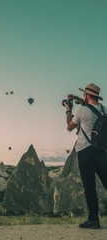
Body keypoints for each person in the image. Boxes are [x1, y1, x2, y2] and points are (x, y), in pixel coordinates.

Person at [64, 83, 107, 229]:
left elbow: (70, 126)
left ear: (87, 95)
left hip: (85, 153)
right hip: (102, 152)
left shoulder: (82, 111)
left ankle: (93, 220)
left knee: (90, 187)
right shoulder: (104, 110)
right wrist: (76, 98)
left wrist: (68, 110)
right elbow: (91, 107)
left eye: (84, 95)